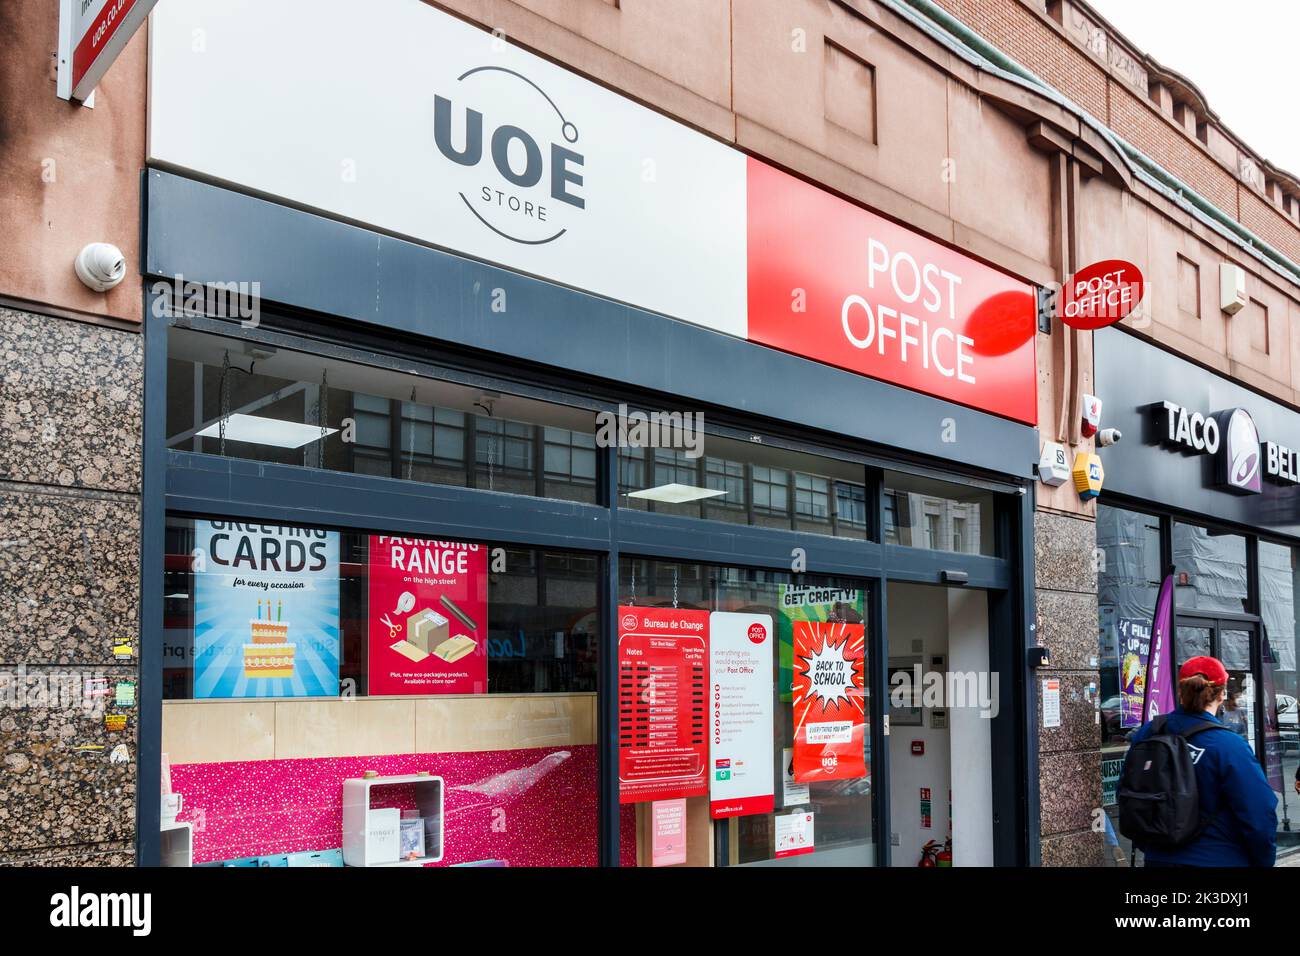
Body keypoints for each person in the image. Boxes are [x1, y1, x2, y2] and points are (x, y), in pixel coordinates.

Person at [1128, 656, 1278, 867]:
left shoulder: (1148, 733)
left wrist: (1155, 845)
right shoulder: (1229, 745)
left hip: (1158, 858)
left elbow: (1129, 793)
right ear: (1222, 694)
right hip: (1219, 858)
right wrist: (1264, 861)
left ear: (1180, 691)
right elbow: (1259, 814)